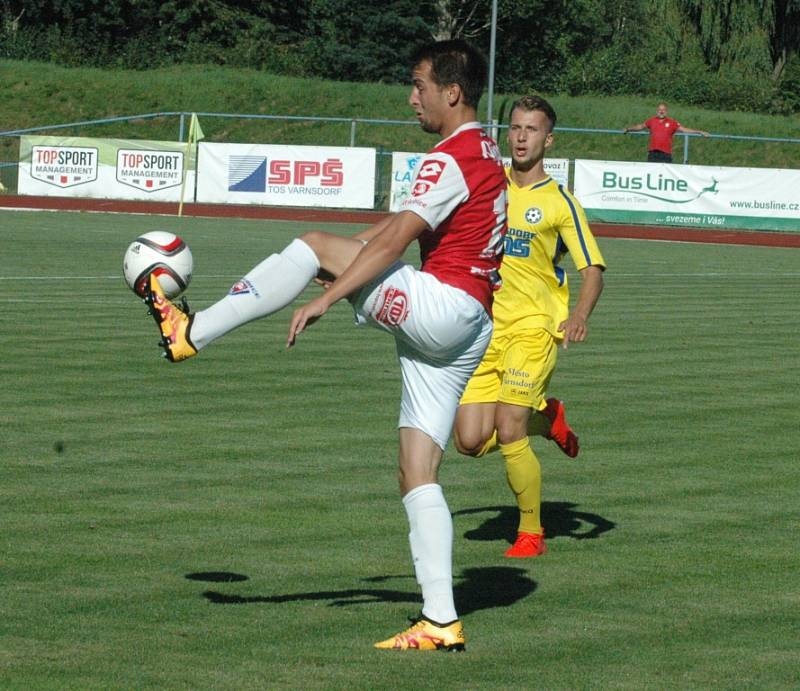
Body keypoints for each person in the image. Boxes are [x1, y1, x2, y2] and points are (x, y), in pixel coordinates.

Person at [143, 39, 507, 652]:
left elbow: (391, 247)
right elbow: (390, 233)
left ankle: (191, 331)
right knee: (416, 471)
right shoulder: (481, 150)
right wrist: (346, 262)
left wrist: (327, 295)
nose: (410, 97)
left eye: (419, 85)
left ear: (453, 92)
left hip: (444, 306)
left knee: (310, 243)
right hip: (468, 326)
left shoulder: (449, 158)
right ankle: (441, 621)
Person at [453, 95, 606, 558]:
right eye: (515, 128)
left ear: (548, 139)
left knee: (509, 426)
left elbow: (593, 269)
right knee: (470, 441)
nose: (521, 137)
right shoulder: (489, 186)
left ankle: (530, 533)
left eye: (532, 129)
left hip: (535, 328)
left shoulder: (559, 202)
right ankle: (549, 418)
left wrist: (577, 315)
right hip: (485, 327)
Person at [624, 102, 709, 162]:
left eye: (663, 110)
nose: (661, 111)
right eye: (659, 109)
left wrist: (699, 132)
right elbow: (640, 126)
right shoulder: (652, 120)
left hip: (665, 154)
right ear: (657, 111)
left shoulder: (672, 122)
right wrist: (628, 129)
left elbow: (684, 129)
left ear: (666, 111)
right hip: (653, 153)